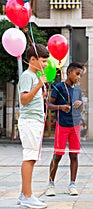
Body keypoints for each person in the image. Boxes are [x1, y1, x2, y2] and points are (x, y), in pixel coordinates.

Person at [45, 62, 84, 196]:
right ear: (69, 72)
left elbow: (81, 108)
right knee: (58, 155)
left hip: (75, 125)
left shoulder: (78, 90)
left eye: (80, 75)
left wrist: (80, 104)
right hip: (62, 125)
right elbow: (48, 104)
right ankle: (51, 184)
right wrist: (60, 107)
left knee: (74, 155)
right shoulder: (59, 87)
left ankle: (72, 185)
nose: (79, 77)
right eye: (77, 74)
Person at [17, 43, 48, 208]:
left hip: (34, 121)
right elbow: (23, 100)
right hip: (29, 122)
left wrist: (40, 93)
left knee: (32, 158)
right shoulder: (28, 75)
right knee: (29, 157)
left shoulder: (34, 76)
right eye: (43, 61)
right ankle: (27, 196)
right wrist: (38, 86)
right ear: (33, 59)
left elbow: (32, 99)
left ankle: (24, 194)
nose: (45, 65)